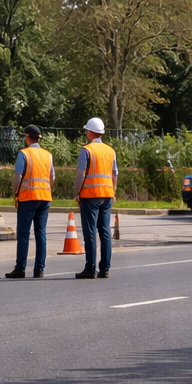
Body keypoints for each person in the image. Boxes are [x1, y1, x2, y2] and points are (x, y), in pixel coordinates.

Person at [5, 125, 55, 279]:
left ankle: (20, 268)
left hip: (27, 198)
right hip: (44, 198)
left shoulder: (24, 153)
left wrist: (16, 193)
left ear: (27, 138)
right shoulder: (48, 155)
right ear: (39, 139)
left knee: (24, 233)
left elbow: (18, 176)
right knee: (41, 233)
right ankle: (39, 269)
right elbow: (52, 177)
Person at [73, 117, 118, 279]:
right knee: (105, 232)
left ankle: (90, 268)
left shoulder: (86, 150)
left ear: (91, 132)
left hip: (90, 196)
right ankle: (105, 268)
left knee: (90, 233)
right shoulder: (110, 151)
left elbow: (81, 174)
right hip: (107, 195)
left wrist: (77, 192)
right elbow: (114, 174)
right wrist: (113, 192)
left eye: (87, 130)